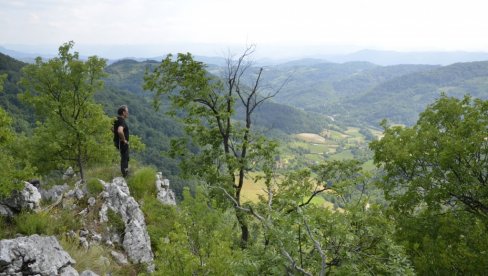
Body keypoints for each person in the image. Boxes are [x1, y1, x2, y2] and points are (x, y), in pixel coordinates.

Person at [114, 105, 130, 177]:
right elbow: (120, 131)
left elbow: (112, 128)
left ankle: (124, 173)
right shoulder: (122, 121)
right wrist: (124, 140)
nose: (128, 113)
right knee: (125, 158)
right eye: (127, 111)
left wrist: (116, 135)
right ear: (123, 112)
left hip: (117, 142)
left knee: (124, 158)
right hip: (122, 143)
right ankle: (125, 175)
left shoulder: (116, 119)